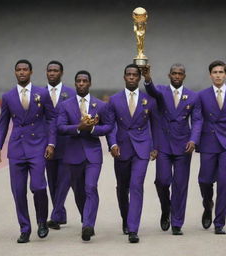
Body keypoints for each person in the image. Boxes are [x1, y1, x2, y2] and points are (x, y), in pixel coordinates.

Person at [0, 59, 56, 243]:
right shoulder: (8, 96)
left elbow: (52, 119)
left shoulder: (42, 93)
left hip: (38, 147)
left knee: (38, 186)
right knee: (18, 191)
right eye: (18, 70)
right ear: (15, 73)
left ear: (31, 72)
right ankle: (25, 229)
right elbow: (3, 123)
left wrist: (51, 143)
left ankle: (42, 221)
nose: (21, 72)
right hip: (16, 149)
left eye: (25, 70)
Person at [143, 63, 202, 235]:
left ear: (184, 76)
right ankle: (165, 208)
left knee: (180, 185)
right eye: (174, 73)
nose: (177, 76)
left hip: (184, 144)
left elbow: (197, 120)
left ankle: (177, 223)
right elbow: (151, 90)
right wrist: (147, 78)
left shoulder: (193, 96)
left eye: (180, 74)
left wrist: (193, 139)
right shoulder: (161, 91)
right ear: (169, 75)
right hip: (163, 144)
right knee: (162, 180)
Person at [56, 70, 112, 241]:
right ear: (75, 84)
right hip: (72, 154)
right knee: (79, 192)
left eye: (84, 81)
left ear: (90, 84)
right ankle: (85, 217)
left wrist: (94, 129)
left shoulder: (100, 105)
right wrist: (79, 127)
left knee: (91, 187)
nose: (81, 83)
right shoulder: (65, 105)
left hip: (93, 154)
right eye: (78, 81)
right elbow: (60, 127)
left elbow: (108, 126)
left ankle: (88, 225)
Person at [106, 64, 157, 243]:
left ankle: (133, 228)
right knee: (123, 188)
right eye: (128, 74)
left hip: (141, 148)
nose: (132, 77)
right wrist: (112, 144)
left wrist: (154, 146)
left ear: (139, 77)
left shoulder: (148, 99)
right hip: (121, 148)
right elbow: (111, 125)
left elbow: (155, 125)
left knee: (136, 185)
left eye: (135, 74)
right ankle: (125, 218)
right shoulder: (114, 100)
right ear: (124, 77)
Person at [197, 60, 226, 235]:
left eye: (221, 72)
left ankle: (219, 222)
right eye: (214, 72)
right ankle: (208, 205)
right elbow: (198, 119)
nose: (218, 75)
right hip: (208, 141)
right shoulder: (202, 95)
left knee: (224, 182)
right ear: (210, 75)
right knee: (204, 180)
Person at [45, 61, 76, 230]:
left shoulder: (71, 93)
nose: (52, 73)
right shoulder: (40, 94)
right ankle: (60, 215)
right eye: (49, 70)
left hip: (67, 144)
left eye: (55, 70)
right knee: (52, 182)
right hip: (46, 145)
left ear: (61, 73)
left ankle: (55, 215)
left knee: (65, 180)